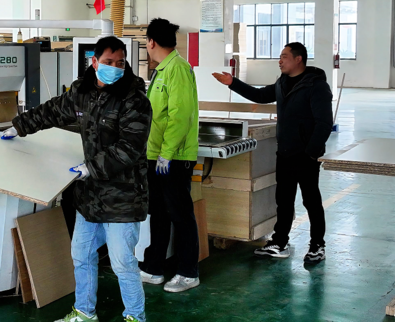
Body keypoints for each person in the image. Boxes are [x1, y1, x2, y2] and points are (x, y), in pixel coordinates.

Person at [1, 36, 152, 322]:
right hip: (91, 197)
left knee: (122, 262)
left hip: (123, 197)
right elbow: (52, 111)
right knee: (81, 254)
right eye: (108, 62)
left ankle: (136, 319)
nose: (115, 68)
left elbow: (130, 148)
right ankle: (84, 312)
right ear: (94, 62)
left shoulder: (134, 100)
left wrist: (90, 167)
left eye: (120, 63)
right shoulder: (82, 92)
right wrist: (19, 126)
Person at [212, 42, 333, 263]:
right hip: (285, 152)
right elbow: (260, 95)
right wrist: (233, 83)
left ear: (298, 59)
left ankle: (317, 245)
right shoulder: (282, 83)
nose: (280, 60)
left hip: (305, 156)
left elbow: (324, 123)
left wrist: (311, 153)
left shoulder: (316, 86)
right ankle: (279, 242)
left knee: (311, 201)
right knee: (283, 201)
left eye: (284, 56)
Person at [139, 18, 201, 293]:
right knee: (159, 213)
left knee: (180, 214)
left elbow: (180, 115)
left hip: (173, 158)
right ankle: (154, 268)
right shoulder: (161, 70)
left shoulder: (177, 69)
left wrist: (166, 154)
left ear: (151, 42)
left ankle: (188, 272)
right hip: (156, 155)